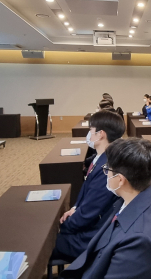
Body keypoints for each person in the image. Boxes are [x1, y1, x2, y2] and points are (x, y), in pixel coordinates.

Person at [38, 138, 151, 279]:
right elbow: (95, 256)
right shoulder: (135, 197)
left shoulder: (139, 239)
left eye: (108, 170)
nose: (106, 173)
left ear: (121, 180)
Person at [52, 111, 126, 261]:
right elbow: (87, 190)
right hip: (90, 224)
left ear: (100, 135)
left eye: (90, 130)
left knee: (44, 243)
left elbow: (90, 212)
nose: (88, 134)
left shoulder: (107, 169)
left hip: (91, 238)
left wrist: (64, 227)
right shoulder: (101, 158)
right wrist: (75, 208)